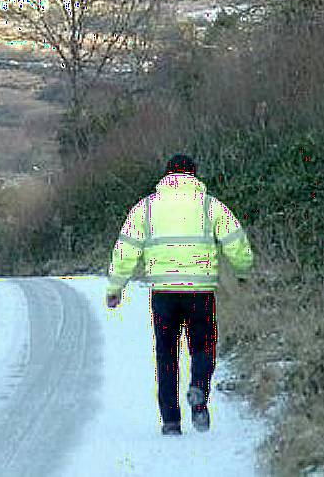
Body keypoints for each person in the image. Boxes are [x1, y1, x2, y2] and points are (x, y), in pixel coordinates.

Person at [106, 154, 254, 436]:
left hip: (163, 293)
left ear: (166, 176)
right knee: (204, 346)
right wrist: (243, 271)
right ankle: (198, 390)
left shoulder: (147, 208)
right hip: (200, 292)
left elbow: (125, 249)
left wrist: (116, 287)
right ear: (194, 176)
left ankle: (171, 421)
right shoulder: (210, 206)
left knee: (166, 354)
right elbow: (236, 242)